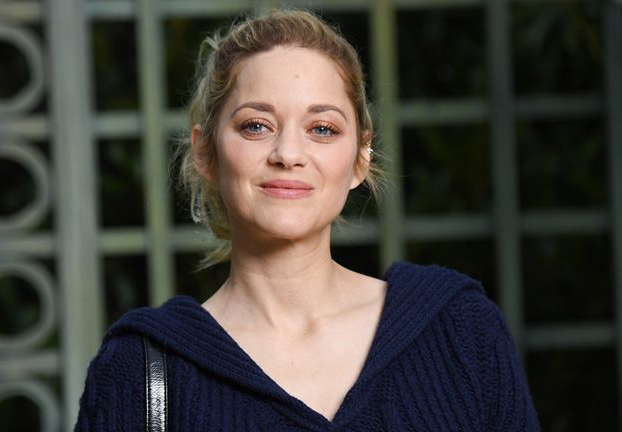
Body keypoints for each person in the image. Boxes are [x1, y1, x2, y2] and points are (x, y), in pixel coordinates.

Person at [75, 9, 540, 431]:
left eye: (322, 129)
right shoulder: (140, 371)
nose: (289, 154)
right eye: (256, 126)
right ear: (205, 151)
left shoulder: (458, 328)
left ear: (360, 158)